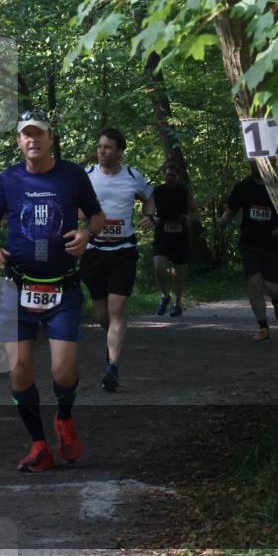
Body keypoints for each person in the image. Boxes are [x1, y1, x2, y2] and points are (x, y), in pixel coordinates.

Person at [0, 109, 104, 472]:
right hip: (16, 287)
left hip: (62, 288)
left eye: (39, 134)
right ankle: (38, 445)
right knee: (18, 368)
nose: (32, 140)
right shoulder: (8, 180)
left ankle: (64, 418)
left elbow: (96, 216)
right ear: (19, 141)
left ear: (51, 139)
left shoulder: (72, 175)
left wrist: (87, 234)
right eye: (25, 135)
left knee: (63, 372)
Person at [81, 128, 155, 393]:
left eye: (108, 147)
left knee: (116, 307)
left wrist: (150, 216)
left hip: (123, 249)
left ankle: (112, 367)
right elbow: (75, 203)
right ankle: (113, 341)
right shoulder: (87, 176)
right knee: (102, 313)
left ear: (120, 151)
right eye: (100, 147)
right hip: (93, 250)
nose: (102, 151)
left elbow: (150, 198)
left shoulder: (133, 176)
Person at [217, 161, 278, 341]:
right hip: (250, 244)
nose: (256, 165)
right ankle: (263, 327)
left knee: (272, 286)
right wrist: (222, 221)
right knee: (254, 283)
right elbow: (231, 211)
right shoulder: (243, 187)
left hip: (275, 245)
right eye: (253, 162)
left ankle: (276, 297)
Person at [151, 162, 200, 318]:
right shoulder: (157, 191)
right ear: (163, 175)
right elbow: (148, 210)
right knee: (159, 266)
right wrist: (152, 219)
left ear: (177, 176)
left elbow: (194, 210)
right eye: (166, 175)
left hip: (180, 233)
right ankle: (165, 296)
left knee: (179, 273)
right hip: (162, 232)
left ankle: (177, 304)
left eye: (172, 175)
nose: (169, 177)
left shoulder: (183, 190)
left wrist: (189, 221)